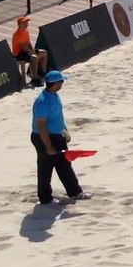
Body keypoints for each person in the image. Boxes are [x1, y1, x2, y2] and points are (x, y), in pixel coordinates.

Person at [31, 71, 90, 204]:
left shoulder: (55, 96)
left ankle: (75, 192)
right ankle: (45, 198)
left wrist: (65, 131)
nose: (62, 83)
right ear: (56, 83)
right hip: (44, 138)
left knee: (65, 165)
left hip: (57, 136)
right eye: (61, 81)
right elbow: (41, 126)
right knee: (45, 168)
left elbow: (58, 116)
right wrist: (49, 146)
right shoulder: (42, 102)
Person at [11, 16, 47, 87]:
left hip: (26, 51)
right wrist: (33, 54)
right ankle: (35, 78)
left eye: (26, 22)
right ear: (20, 24)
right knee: (34, 58)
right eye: (24, 23)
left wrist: (33, 51)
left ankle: (43, 72)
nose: (26, 24)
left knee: (44, 52)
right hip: (19, 54)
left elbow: (29, 44)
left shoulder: (26, 32)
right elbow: (24, 48)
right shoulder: (17, 35)